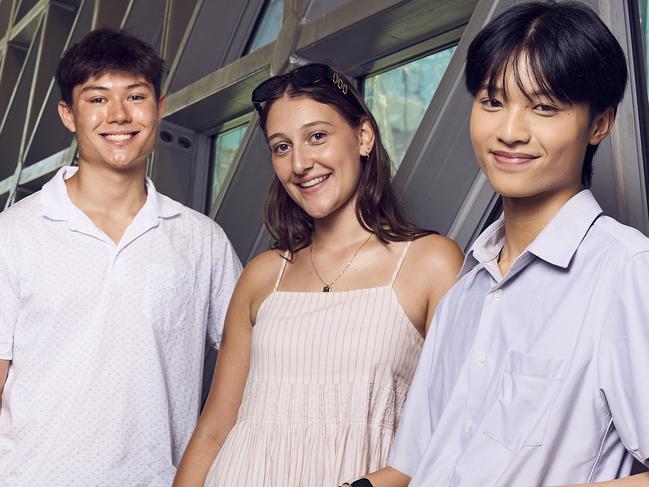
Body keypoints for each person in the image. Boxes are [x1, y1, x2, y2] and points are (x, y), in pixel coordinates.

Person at [357, 2, 649, 487]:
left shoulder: (626, 273)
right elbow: (413, 466)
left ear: (599, 124)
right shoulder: (466, 290)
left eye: (544, 107)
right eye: (492, 102)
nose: (509, 132)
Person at [172, 62, 463, 487]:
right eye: (281, 147)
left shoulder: (431, 263)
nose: (301, 163)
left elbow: (453, 430)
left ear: (363, 136)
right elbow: (216, 427)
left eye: (317, 137)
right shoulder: (263, 276)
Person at [0, 28, 241, 485]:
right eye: (96, 99)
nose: (118, 116)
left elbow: (257, 365)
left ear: (160, 107)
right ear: (68, 114)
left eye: (135, 96)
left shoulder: (202, 241)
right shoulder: (12, 234)